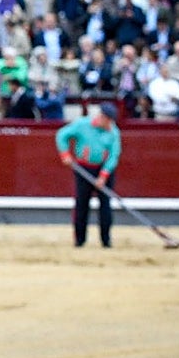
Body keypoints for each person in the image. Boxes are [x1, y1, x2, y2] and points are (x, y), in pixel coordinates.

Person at [55, 102, 122, 248]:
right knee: (81, 204)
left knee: (105, 206)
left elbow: (113, 155)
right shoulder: (82, 124)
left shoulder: (113, 132)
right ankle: (79, 240)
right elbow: (62, 135)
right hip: (84, 169)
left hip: (104, 170)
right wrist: (65, 153)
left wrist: (103, 176)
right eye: (108, 120)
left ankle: (106, 240)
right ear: (102, 117)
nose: (110, 124)